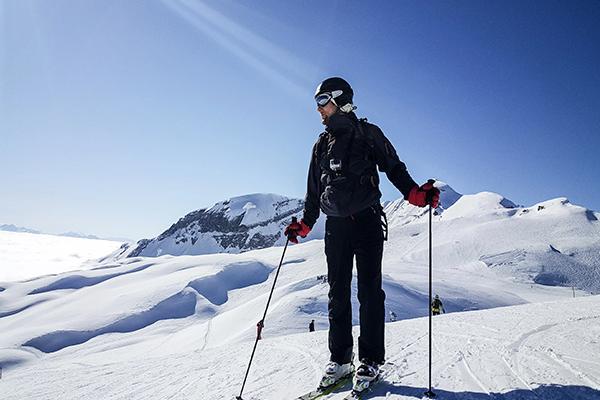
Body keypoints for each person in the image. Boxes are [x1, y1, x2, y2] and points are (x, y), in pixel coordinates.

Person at [285, 77, 439, 390]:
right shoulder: (321, 145)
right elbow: (314, 190)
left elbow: (394, 167)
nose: (318, 109)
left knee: (369, 292)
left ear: (339, 100)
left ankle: (370, 361)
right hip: (336, 227)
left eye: (321, 101)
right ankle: (341, 360)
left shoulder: (369, 134)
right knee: (337, 292)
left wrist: (415, 194)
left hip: (367, 220)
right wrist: (305, 223)